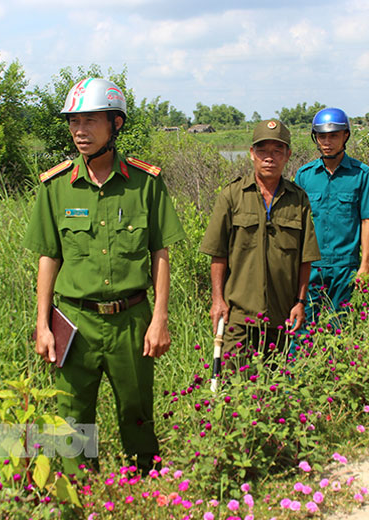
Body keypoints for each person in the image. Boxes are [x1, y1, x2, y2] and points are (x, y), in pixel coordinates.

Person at [23, 78, 185, 475]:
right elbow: (49, 257)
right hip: (74, 321)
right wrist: (42, 324)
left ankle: (145, 485)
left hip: (131, 320)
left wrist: (159, 318)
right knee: (73, 415)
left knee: (136, 410)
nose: (80, 130)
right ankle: (82, 493)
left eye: (90, 121)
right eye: (74, 121)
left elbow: (160, 252)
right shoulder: (56, 187)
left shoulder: (145, 184)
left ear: (115, 124)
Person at [200, 119, 320, 359]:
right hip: (238, 315)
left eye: (277, 151)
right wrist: (217, 300)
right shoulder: (232, 196)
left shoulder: (298, 199)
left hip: (282, 315)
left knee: (275, 386)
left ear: (288, 155)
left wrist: (300, 302)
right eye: (263, 151)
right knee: (233, 385)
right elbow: (218, 253)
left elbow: (305, 258)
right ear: (252, 154)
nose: (269, 158)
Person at [294, 108, 369, 329]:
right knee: (304, 326)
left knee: (340, 327)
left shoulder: (361, 174)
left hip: (346, 266)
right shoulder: (305, 175)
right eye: (322, 136)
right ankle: (299, 363)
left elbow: (367, 220)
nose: (327, 142)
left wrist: (365, 265)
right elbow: (296, 224)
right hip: (312, 266)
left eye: (333, 136)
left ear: (345, 137)